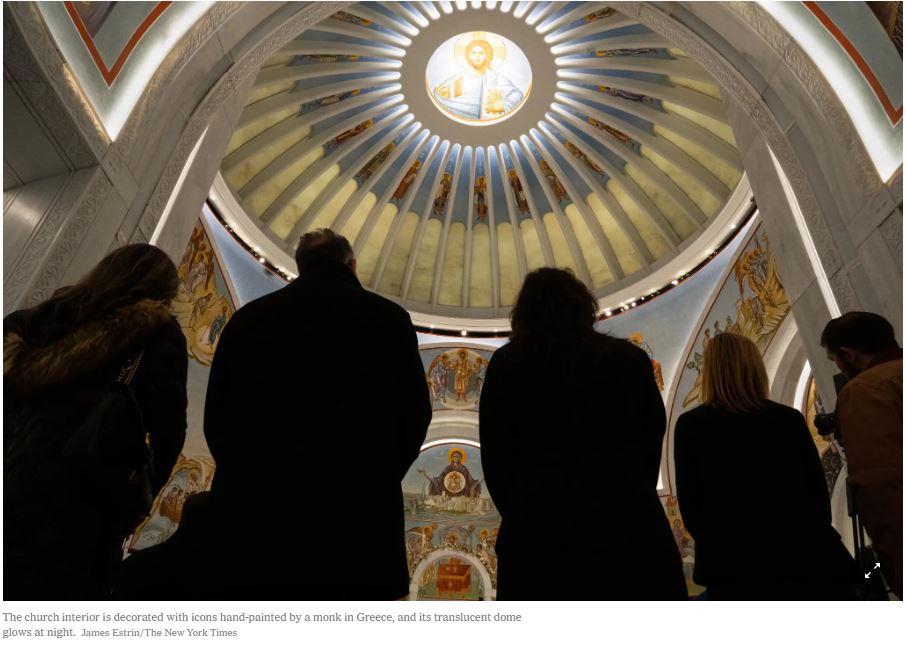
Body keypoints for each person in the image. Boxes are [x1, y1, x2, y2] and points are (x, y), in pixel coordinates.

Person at [200, 228, 431, 599]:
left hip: (259, 522)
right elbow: (414, 416)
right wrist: (375, 479)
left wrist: (249, 481)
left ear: (301, 265)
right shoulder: (389, 320)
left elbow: (220, 419)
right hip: (357, 524)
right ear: (351, 264)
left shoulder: (250, 320)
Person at [479, 267, 686, 600]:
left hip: (539, 546)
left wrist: (526, 510)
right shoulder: (629, 359)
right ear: (583, 305)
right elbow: (649, 443)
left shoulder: (507, 365)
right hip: (629, 536)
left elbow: (496, 460)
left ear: (524, 314)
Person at [4, 244, 188, 600]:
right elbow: (170, 434)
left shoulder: (46, 316)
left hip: (15, 485)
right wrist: (139, 499)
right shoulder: (160, 335)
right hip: (88, 505)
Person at [674, 332, 856, 600]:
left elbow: (692, 506)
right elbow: (816, 497)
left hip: (730, 567)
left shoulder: (691, 426)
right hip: (796, 558)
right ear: (754, 367)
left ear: (709, 373)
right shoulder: (787, 420)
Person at [821, 312, 902, 598]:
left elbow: (882, 484)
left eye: (835, 360)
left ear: (849, 355)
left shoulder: (864, 391)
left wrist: (894, 563)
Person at [433, 39, 523, 120]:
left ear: (488, 56)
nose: (477, 56)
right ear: (468, 56)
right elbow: (439, 98)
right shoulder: (457, 79)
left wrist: (502, 106)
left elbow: (517, 94)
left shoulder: (495, 78)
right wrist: (442, 96)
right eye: (473, 53)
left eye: (481, 53)